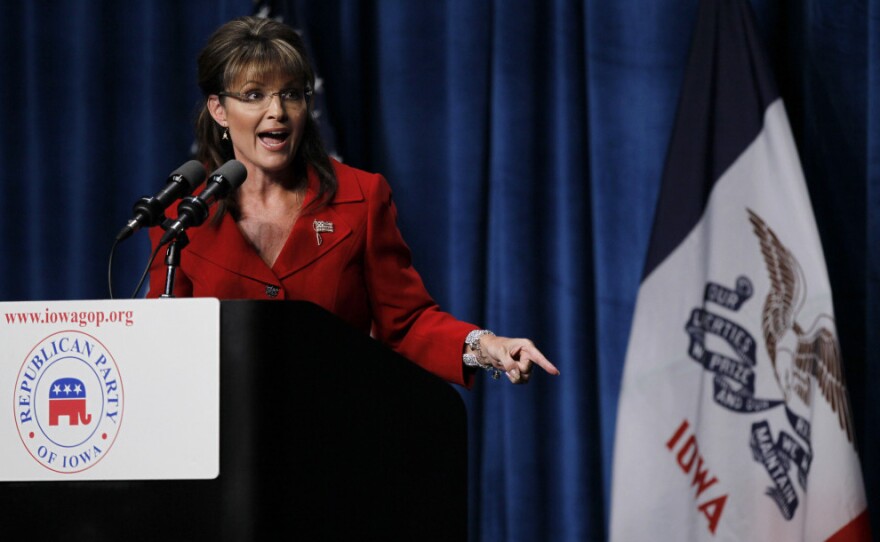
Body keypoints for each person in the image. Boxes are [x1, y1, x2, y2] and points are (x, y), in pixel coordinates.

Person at [147, 16, 558, 387]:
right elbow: (164, 344)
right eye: (254, 95)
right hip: (225, 441)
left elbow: (407, 323)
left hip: (334, 434)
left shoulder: (360, 196)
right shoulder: (183, 212)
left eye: (291, 94)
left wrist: (486, 346)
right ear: (219, 109)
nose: (277, 111)